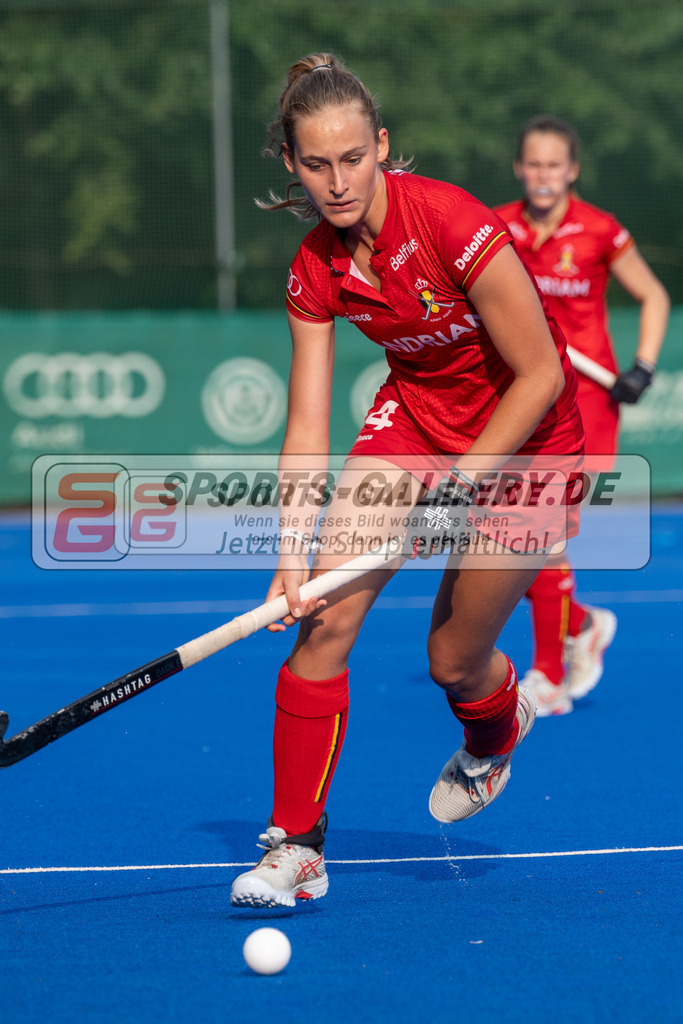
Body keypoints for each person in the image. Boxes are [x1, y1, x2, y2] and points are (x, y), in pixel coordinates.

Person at [230, 54, 585, 910]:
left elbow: (538, 373)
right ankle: (297, 849)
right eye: (316, 164)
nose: (337, 180)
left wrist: (463, 488)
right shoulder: (314, 268)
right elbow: (308, 426)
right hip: (416, 425)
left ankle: (495, 729)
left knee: (453, 662)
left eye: (353, 158)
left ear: (381, 146)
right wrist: (292, 558)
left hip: (530, 447)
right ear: (291, 163)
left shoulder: (451, 224)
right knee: (322, 620)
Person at [494, 115, 670, 716]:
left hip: (589, 404)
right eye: (533, 164)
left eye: (554, 165)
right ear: (520, 168)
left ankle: (547, 674)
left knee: (540, 534)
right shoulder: (496, 228)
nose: (543, 176)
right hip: (524, 398)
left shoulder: (600, 231)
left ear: (572, 170)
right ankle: (583, 625)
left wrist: (642, 366)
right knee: (515, 538)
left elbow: (654, 294)